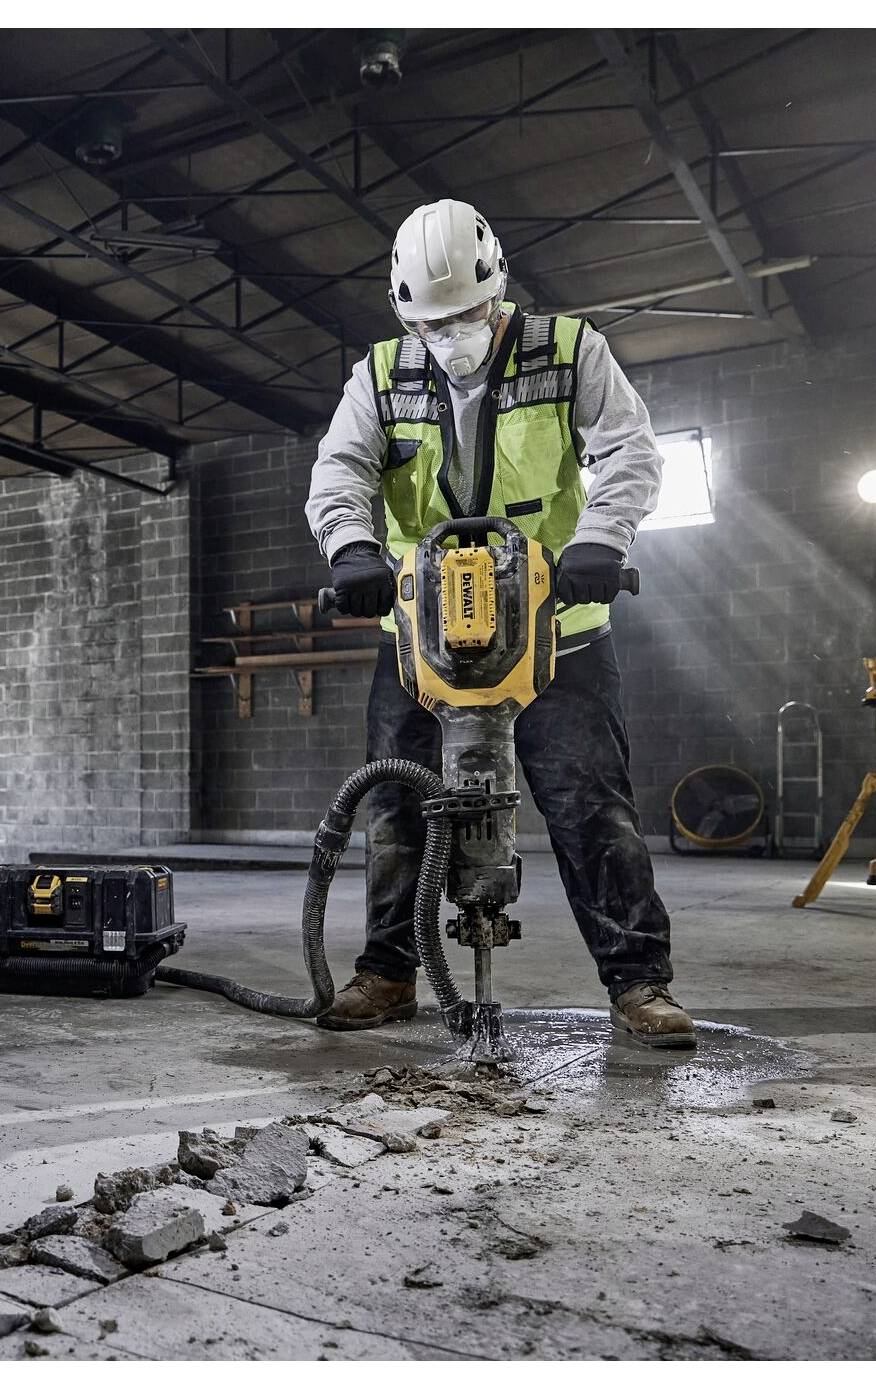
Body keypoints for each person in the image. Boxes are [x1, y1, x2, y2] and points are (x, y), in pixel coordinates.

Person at [303, 198, 694, 1048]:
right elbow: (340, 469)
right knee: (397, 809)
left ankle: (638, 984)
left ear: (498, 288)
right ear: (406, 311)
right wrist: (350, 550)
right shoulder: (379, 375)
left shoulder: (568, 350)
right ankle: (388, 972)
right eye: (435, 320)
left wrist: (599, 540)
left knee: (591, 805)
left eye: (469, 313)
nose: (455, 332)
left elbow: (629, 449)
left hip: (558, 626)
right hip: (419, 633)